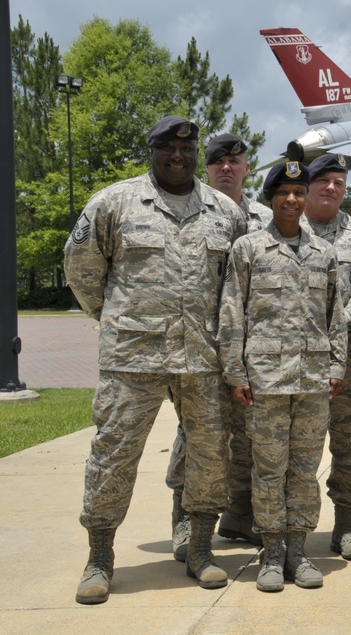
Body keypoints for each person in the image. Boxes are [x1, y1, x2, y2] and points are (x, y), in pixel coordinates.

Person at [66, 116, 247, 604]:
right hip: (133, 357)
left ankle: (201, 549)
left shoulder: (225, 212)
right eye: (167, 148)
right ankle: (99, 557)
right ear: (152, 151)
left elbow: (238, 283)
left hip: (204, 357)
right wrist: (117, 318)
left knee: (210, 455)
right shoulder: (115, 202)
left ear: (195, 156)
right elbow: (82, 270)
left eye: (186, 150)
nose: (177, 157)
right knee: (113, 455)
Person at [218, 161, 347, 592]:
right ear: (271, 198)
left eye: (298, 192)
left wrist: (337, 366)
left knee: (305, 470)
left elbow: (335, 316)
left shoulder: (323, 252)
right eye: (283, 193)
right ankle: (271, 552)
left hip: (311, 379)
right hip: (266, 380)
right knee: (269, 469)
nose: (291, 200)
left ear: (306, 197)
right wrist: (235, 370)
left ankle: (298, 550)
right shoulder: (248, 249)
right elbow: (232, 311)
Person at [166, 133, 272, 555]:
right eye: (217, 161)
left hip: (254, 348)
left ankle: (240, 517)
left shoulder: (267, 216)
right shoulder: (190, 209)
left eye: (235, 160)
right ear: (206, 167)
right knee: (195, 435)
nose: (226, 167)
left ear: (248, 167)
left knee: (248, 438)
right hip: (202, 345)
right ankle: (183, 522)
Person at [303, 153, 351, 561]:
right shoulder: (284, 227)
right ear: (307, 184)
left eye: (339, 182)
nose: (331, 188)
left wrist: (334, 327)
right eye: (323, 180)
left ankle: (345, 526)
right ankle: (293, 527)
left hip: (349, 362)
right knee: (296, 449)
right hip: (294, 362)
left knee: (350, 445)